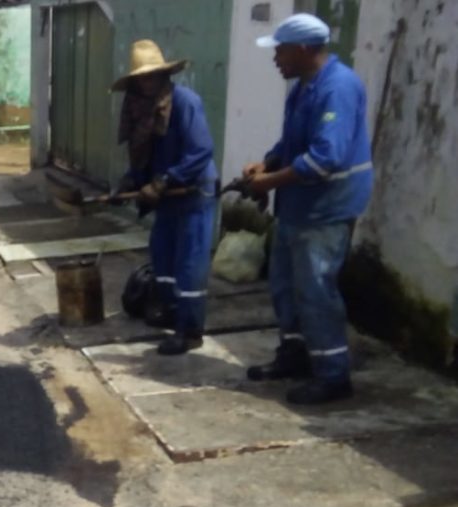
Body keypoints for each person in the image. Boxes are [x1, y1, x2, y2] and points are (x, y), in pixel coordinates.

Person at [242, 13, 373, 405]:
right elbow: (293, 142)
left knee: (316, 290)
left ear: (302, 49)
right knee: (285, 283)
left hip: (326, 207)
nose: (275, 58)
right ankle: (295, 354)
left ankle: (333, 375)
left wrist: (269, 182)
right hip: (298, 206)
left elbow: (325, 158)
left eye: (279, 50)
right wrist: (266, 162)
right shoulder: (304, 86)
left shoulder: (338, 88)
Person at [111, 40, 218, 356]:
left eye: (152, 76)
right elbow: (143, 158)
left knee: (190, 265)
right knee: (163, 258)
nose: (146, 83)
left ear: (163, 75)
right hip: (166, 196)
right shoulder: (137, 109)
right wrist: (130, 182)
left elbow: (201, 151)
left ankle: (190, 330)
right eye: (140, 78)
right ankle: (172, 313)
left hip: (193, 191)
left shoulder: (185, 102)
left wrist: (164, 182)